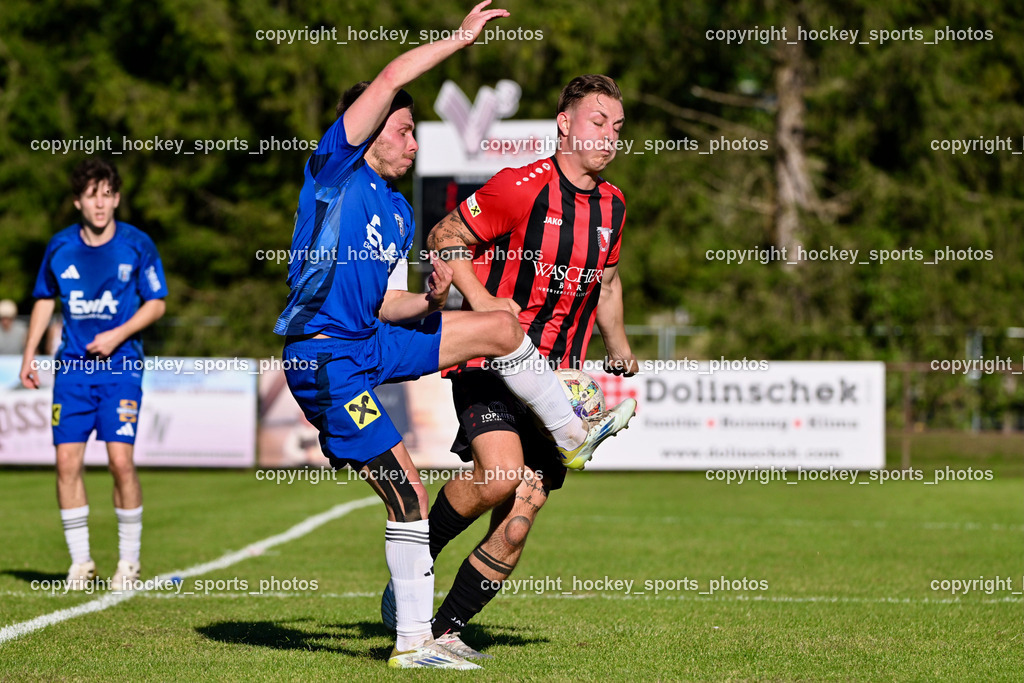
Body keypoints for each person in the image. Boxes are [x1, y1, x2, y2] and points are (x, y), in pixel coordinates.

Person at [272, 4, 635, 670]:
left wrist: (435, 296)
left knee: (500, 324)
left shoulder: (397, 207)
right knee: (408, 490)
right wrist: (461, 40)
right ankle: (414, 642)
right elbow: (391, 75)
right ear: (368, 128)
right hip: (325, 354)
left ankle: (570, 431)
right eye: (406, 131)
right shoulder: (335, 169)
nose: (414, 145)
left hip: (372, 342)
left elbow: (385, 300)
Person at [412, 74, 639, 659]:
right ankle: (415, 558)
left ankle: (445, 631)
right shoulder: (524, 186)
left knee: (520, 515)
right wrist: (487, 306)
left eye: (617, 127)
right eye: (597, 122)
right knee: (501, 474)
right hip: (491, 362)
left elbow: (607, 283)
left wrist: (618, 346)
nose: (609, 136)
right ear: (564, 123)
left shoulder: (613, 205)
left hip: (557, 382)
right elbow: (443, 237)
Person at [19, 158, 168, 592]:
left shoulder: (137, 244)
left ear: (117, 198)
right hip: (71, 373)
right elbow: (45, 299)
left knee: (120, 462)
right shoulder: (60, 246)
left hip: (121, 370)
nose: (99, 203)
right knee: (66, 462)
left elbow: (156, 302)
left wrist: (117, 334)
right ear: (77, 202)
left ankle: (129, 562)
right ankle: (81, 563)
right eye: (91, 195)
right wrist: (30, 356)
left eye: (107, 194)